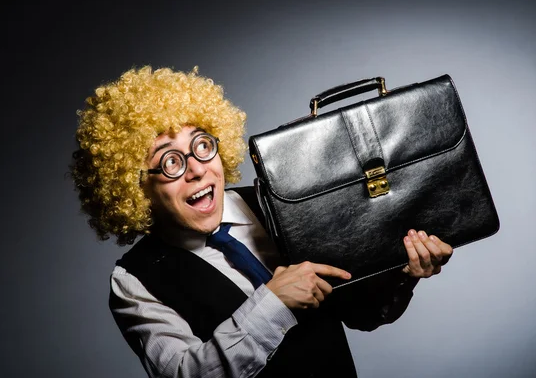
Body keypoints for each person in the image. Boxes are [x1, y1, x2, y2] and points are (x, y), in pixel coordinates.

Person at [69, 65, 453, 378]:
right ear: (135, 185)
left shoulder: (277, 202)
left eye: (202, 145)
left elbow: (359, 314)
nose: (197, 171)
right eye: (171, 161)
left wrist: (403, 272)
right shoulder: (133, 280)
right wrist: (272, 302)